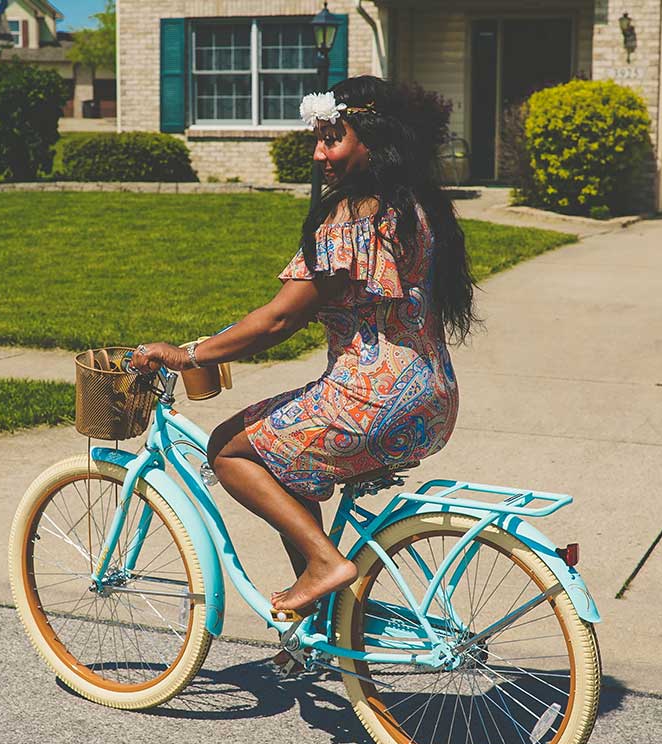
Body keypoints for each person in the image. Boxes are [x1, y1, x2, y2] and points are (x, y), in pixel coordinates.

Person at [129, 76, 477, 615]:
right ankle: (317, 626)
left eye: (332, 138)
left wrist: (189, 354)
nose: (319, 153)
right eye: (318, 138)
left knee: (227, 447)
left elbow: (276, 321)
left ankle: (323, 563)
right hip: (432, 401)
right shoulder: (420, 208)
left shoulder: (353, 219)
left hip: (370, 403)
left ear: (372, 140)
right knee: (290, 462)